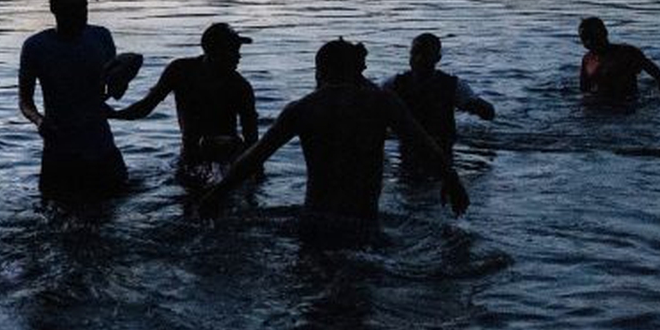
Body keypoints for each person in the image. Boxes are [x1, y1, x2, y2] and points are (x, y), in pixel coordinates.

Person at [200, 38, 468, 243]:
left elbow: (253, 158)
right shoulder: (382, 103)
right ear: (356, 71)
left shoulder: (302, 108)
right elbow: (423, 145)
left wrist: (216, 195)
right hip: (363, 226)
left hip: (314, 223)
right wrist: (452, 180)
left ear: (320, 71)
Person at [18, 0, 128, 198]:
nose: (81, 13)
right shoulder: (35, 47)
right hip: (59, 149)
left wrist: (124, 76)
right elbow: (24, 100)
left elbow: (116, 93)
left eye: (84, 6)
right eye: (73, 8)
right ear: (54, 9)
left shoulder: (101, 37)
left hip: (101, 145)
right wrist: (39, 120)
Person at [112, 22, 259, 183]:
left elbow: (252, 138)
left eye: (237, 50)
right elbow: (147, 106)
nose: (239, 56)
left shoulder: (240, 87)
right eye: (232, 50)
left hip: (226, 159)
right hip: (191, 158)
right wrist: (113, 114)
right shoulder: (180, 70)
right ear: (212, 51)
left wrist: (256, 175)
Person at [384, 32, 494, 171]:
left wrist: (476, 106)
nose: (418, 59)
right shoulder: (393, 85)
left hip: (442, 147)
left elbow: (488, 113)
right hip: (407, 147)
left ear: (438, 58)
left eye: (425, 54)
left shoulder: (453, 86)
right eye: (415, 53)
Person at [578, 16, 660, 102]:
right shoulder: (587, 60)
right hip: (600, 106)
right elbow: (584, 89)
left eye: (593, 36)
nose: (589, 42)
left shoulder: (627, 53)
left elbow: (659, 75)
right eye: (584, 38)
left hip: (627, 105)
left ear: (605, 33)